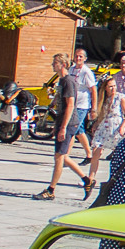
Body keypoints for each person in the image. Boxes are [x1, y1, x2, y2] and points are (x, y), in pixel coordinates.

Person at [35, 53, 94, 200]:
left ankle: (51, 190)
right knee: (63, 156)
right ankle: (87, 180)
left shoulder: (68, 81)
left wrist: (63, 127)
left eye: (55, 62)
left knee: (59, 157)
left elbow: (71, 105)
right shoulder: (62, 81)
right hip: (63, 121)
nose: (52, 65)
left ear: (62, 64)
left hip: (68, 123)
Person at [86, 61, 125, 190]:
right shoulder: (104, 100)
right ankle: (91, 178)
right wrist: (96, 124)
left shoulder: (120, 97)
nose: (113, 89)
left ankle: (117, 179)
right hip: (105, 126)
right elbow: (102, 114)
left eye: (114, 86)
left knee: (120, 155)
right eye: (110, 86)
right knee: (96, 152)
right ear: (105, 88)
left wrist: (123, 127)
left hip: (116, 126)